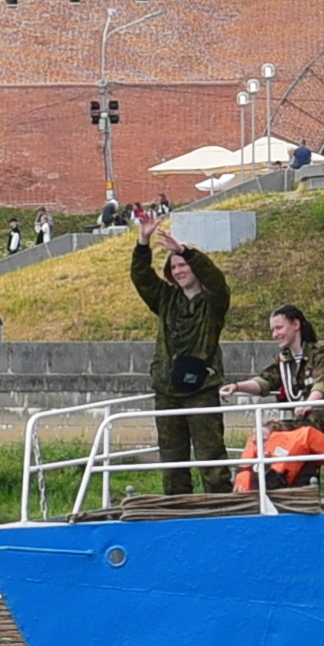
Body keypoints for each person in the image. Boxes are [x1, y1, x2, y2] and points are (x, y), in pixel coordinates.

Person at [123, 206, 233, 488]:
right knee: (172, 459)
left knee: (211, 455)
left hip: (201, 389)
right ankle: (176, 508)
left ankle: (220, 506)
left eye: (183, 265)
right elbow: (141, 277)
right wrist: (143, 242)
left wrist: (185, 250)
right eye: (174, 267)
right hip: (166, 388)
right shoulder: (165, 299)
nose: (179, 270)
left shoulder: (213, 302)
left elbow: (216, 280)